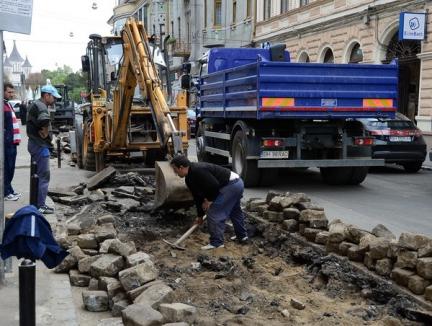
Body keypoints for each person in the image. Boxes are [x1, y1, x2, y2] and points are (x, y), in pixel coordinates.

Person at [170, 155, 248, 250]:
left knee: (214, 212)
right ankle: (242, 236)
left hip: (231, 185)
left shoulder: (198, 170)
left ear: (181, 167)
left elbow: (214, 186)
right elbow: (197, 197)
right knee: (235, 211)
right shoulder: (189, 178)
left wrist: (210, 201)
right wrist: (200, 216)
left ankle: (217, 243)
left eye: (175, 170)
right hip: (236, 183)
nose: (175, 173)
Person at [26, 85, 61, 214]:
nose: (55, 100)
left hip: (35, 144)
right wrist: (45, 133)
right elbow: (43, 121)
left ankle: (37, 204)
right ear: (47, 95)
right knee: (43, 176)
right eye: (54, 97)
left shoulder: (37, 104)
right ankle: (40, 205)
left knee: (37, 176)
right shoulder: (41, 107)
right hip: (39, 145)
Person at [3, 83, 22, 201]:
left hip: (12, 142)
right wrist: (7, 138)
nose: (11, 94)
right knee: (7, 168)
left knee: (11, 167)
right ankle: (5, 192)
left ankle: (9, 190)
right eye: (9, 92)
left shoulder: (7, 104)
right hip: (7, 142)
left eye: (12, 92)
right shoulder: (3, 105)